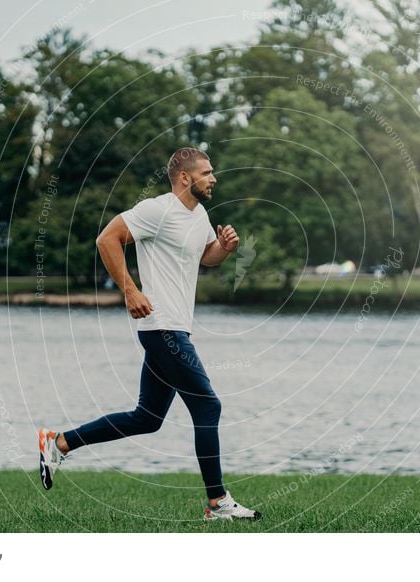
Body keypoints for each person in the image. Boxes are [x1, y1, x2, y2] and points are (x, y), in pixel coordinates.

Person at [38, 147, 261, 521]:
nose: (214, 178)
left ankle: (59, 443)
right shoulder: (156, 210)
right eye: (207, 172)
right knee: (208, 405)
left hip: (173, 327)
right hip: (162, 327)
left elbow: (205, 256)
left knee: (147, 418)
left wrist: (223, 248)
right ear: (185, 178)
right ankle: (217, 503)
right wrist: (130, 290)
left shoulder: (199, 215)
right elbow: (106, 239)